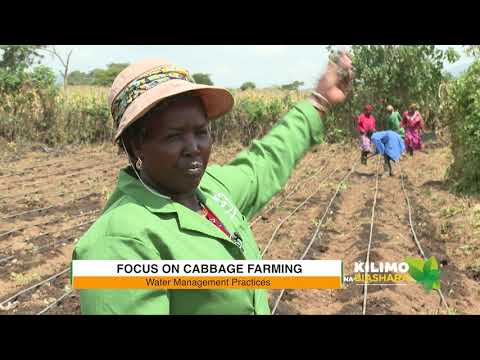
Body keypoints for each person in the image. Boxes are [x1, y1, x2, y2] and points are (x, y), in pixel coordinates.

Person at [71, 54, 353, 315]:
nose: (193, 147)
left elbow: (264, 161)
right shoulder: (119, 242)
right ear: (136, 146)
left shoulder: (211, 190)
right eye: (174, 136)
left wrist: (319, 101)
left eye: (201, 132)